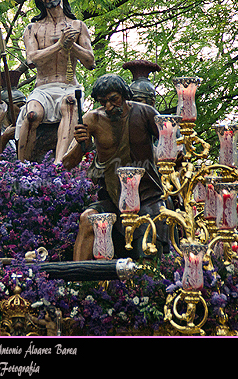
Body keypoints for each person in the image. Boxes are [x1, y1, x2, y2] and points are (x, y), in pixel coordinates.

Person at [62, 74, 170, 260]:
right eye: (104, 102)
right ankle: (78, 283)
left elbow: (171, 141)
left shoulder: (145, 113)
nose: (110, 106)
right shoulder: (92, 120)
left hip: (146, 197)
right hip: (112, 197)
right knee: (87, 220)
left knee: (148, 241)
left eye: (114, 100)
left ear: (124, 94)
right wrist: (81, 144)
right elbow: (67, 163)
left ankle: (148, 285)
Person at [15, 0, 96, 163]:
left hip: (68, 86)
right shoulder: (32, 28)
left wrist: (71, 46)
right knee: (31, 114)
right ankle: (22, 167)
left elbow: (90, 62)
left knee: (70, 103)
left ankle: (59, 164)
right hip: (42, 88)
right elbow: (32, 59)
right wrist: (60, 44)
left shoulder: (78, 26)